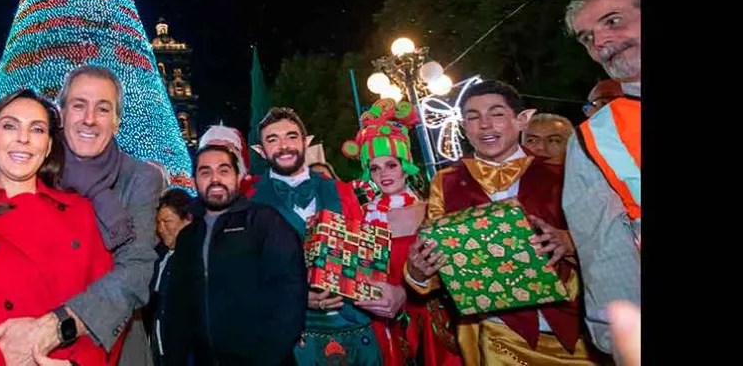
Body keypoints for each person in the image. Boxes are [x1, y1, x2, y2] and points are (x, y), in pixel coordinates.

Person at [0, 65, 165, 366]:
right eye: (79, 105)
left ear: (116, 122)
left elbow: (133, 273)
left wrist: (59, 341)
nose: (89, 119)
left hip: (105, 331)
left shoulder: (128, 184)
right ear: (62, 114)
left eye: (103, 108)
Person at [405, 80, 594, 365]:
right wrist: (418, 273)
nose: (484, 125)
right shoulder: (446, 182)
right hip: (497, 336)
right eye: (472, 117)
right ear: (464, 127)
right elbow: (436, 254)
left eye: (496, 114)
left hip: (576, 333)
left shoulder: (562, 174)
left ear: (521, 120)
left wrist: (568, 242)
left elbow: (611, 243)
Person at [0, 89, 119, 366]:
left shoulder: (80, 211)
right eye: (10, 126)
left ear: (49, 146)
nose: (23, 138)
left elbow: (105, 305)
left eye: (38, 129)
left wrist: (78, 365)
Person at [247, 107, 381, 366]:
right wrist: (295, 295)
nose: (284, 146)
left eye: (291, 136)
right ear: (261, 151)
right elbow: (250, 274)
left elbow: (366, 256)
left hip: (354, 325)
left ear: (306, 142)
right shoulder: (251, 204)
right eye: (272, 139)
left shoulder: (341, 190)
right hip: (291, 334)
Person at [160, 145, 307, 365]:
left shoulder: (264, 222)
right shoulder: (188, 237)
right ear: (195, 181)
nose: (215, 179)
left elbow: (290, 295)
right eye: (205, 172)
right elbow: (176, 309)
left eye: (224, 170)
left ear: (238, 176)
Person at [342, 99, 461, 366]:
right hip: (387, 325)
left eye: (391, 165)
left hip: (437, 322)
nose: (383, 174)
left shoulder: (433, 209)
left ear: (405, 166)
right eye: (375, 167)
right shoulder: (361, 218)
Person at [561, 0, 641, 359]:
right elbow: (608, 263)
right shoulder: (595, 141)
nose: (602, 43)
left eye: (612, 21)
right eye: (587, 38)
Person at [146, 189, 194, 363]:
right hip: (158, 350)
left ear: (188, 220)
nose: (161, 229)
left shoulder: (197, 259)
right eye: (158, 222)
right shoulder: (158, 255)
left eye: (167, 221)